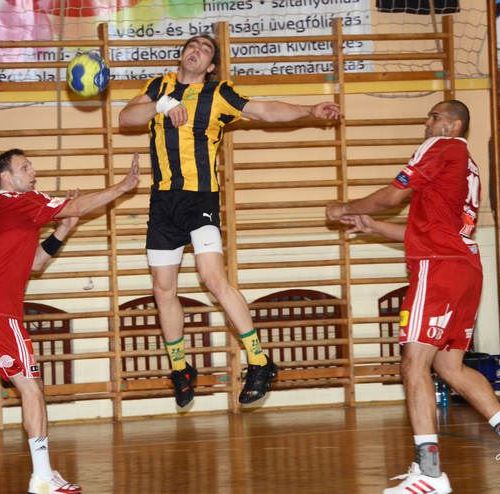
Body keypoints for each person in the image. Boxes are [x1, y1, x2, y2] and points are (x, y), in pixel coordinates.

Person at [119, 34, 341, 407]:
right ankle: (181, 369)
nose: (196, 50)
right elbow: (126, 118)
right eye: (192, 45)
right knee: (162, 288)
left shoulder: (218, 93)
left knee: (212, 277)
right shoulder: (159, 87)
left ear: (210, 66)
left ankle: (259, 360)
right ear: (182, 55)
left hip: (200, 199)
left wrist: (309, 110)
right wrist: (161, 104)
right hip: (163, 203)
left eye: (205, 49)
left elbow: (265, 110)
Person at [326, 100, 500, 494]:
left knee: (413, 362)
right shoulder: (468, 166)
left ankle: (430, 473)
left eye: (434, 116)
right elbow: (425, 230)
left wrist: (343, 207)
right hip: (465, 268)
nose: (427, 122)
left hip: (437, 269)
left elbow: (392, 197)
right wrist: (372, 226)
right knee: (450, 367)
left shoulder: (441, 146)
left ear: (452, 124)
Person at [0, 149, 140, 494]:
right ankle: (42, 478)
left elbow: (35, 263)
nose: (33, 172)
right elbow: (76, 204)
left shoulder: (13, 213)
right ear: (5, 177)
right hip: (3, 315)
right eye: (24, 167)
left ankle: (45, 472)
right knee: (31, 390)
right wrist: (122, 187)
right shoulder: (20, 201)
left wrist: (63, 228)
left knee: (32, 387)